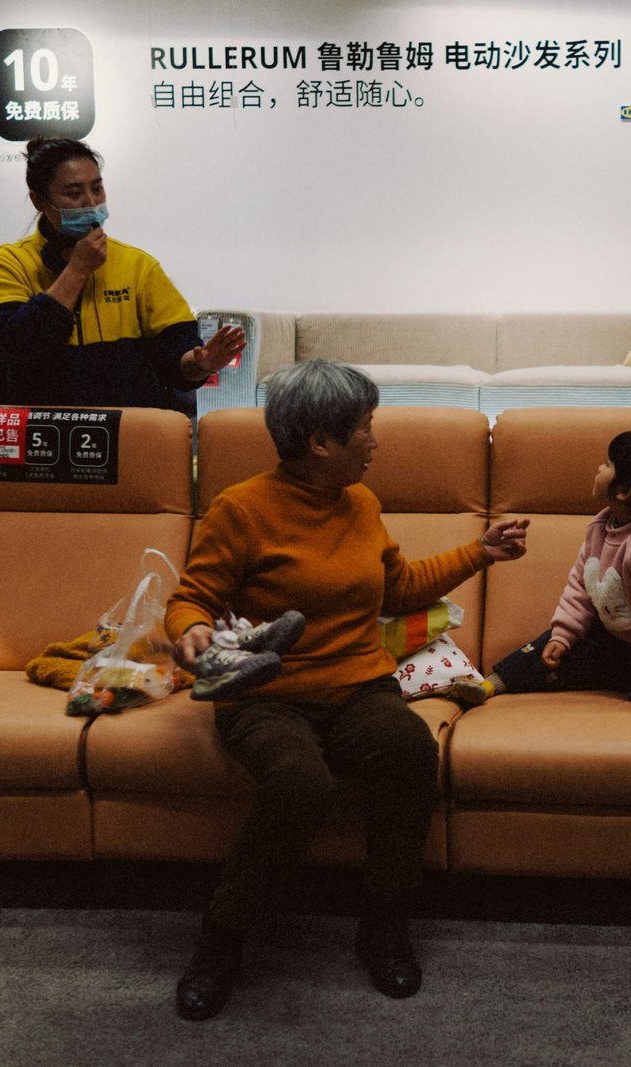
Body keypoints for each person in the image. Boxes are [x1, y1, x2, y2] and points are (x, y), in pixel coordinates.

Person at [163, 359, 531, 1021]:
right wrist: (191, 634)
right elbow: (192, 597)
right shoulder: (241, 509)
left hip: (359, 685)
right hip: (266, 693)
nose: (374, 440)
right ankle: (222, 935)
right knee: (301, 782)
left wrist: (481, 550)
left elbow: (399, 589)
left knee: (410, 751)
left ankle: (383, 922)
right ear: (320, 443)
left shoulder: (362, 503)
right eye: (364, 427)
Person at [450, 430, 631, 716]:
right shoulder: (601, 526)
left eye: (607, 464)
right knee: (549, 647)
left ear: (623, 491)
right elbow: (582, 586)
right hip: (620, 628)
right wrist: (563, 635)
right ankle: (487, 686)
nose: (599, 469)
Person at [0, 136, 245, 411]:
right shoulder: (6, 264)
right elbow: (21, 344)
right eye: (73, 193)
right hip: (47, 434)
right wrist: (78, 269)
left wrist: (201, 363)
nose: (91, 202)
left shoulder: (137, 264)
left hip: (130, 432)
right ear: (39, 201)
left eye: (97, 188)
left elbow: (175, 360)